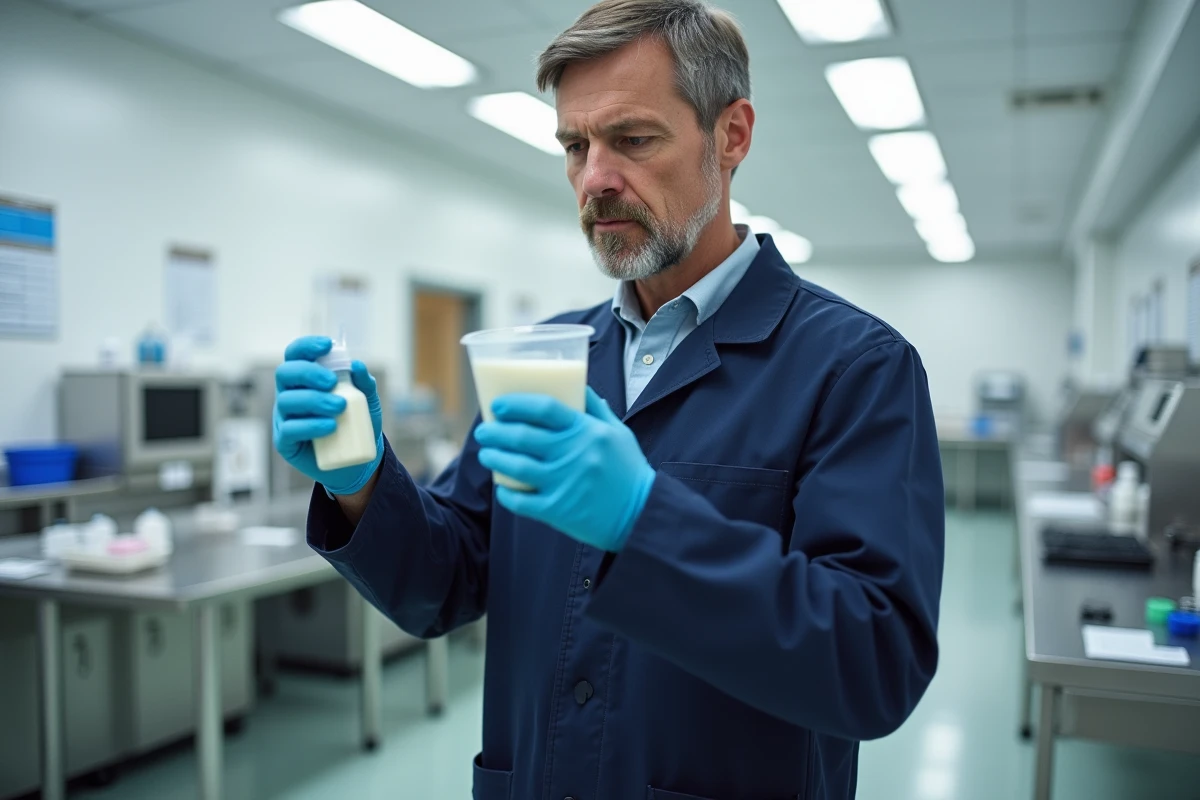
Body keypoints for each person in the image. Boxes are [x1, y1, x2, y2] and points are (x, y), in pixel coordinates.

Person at [273, 0, 945, 797]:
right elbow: (445, 581)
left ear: (731, 136)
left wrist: (645, 522)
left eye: (632, 139)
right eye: (574, 145)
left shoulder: (854, 369)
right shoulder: (546, 359)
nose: (595, 178)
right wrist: (360, 483)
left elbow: (873, 664)